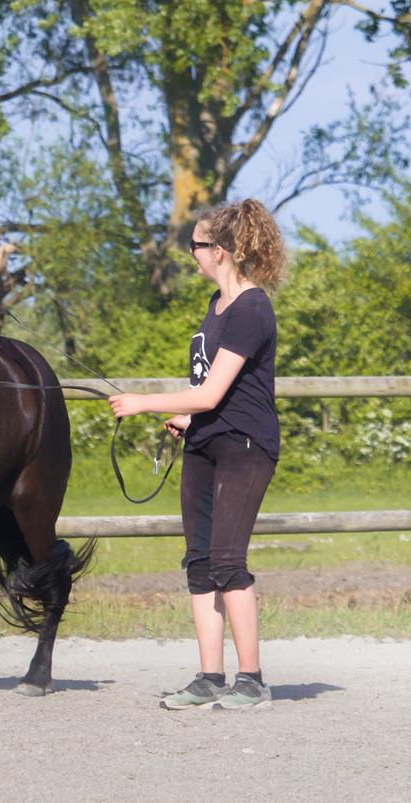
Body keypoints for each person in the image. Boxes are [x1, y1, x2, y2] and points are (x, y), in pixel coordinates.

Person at [108, 198, 286, 710]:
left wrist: (144, 403)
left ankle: (251, 678)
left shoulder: (253, 308)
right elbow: (213, 394)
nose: (193, 254)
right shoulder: (216, 306)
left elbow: (210, 393)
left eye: (198, 246)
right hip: (206, 442)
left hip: (245, 447)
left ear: (223, 251)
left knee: (229, 560)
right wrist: (186, 420)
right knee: (200, 562)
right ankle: (210, 675)